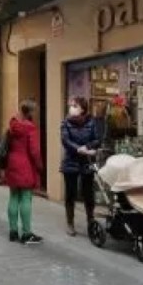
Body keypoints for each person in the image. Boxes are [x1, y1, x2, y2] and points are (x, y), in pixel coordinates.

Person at [3, 99, 44, 245]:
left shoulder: (13, 125)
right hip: (25, 165)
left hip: (12, 164)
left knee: (13, 196)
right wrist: (40, 166)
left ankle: (13, 231)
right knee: (26, 197)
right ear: (31, 112)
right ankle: (26, 233)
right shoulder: (30, 128)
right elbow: (35, 151)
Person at [61, 96, 100, 236]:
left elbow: (97, 139)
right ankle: (70, 223)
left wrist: (88, 147)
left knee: (88, 193)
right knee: (70, 194)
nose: (71, 107)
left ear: (82, 109)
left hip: (87, 161)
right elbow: (65, 140)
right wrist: (78, 149)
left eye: (74, 105)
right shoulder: (65, 122)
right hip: (71, 161)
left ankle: (91, 221)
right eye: (71, 105)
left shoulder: (91, 122)